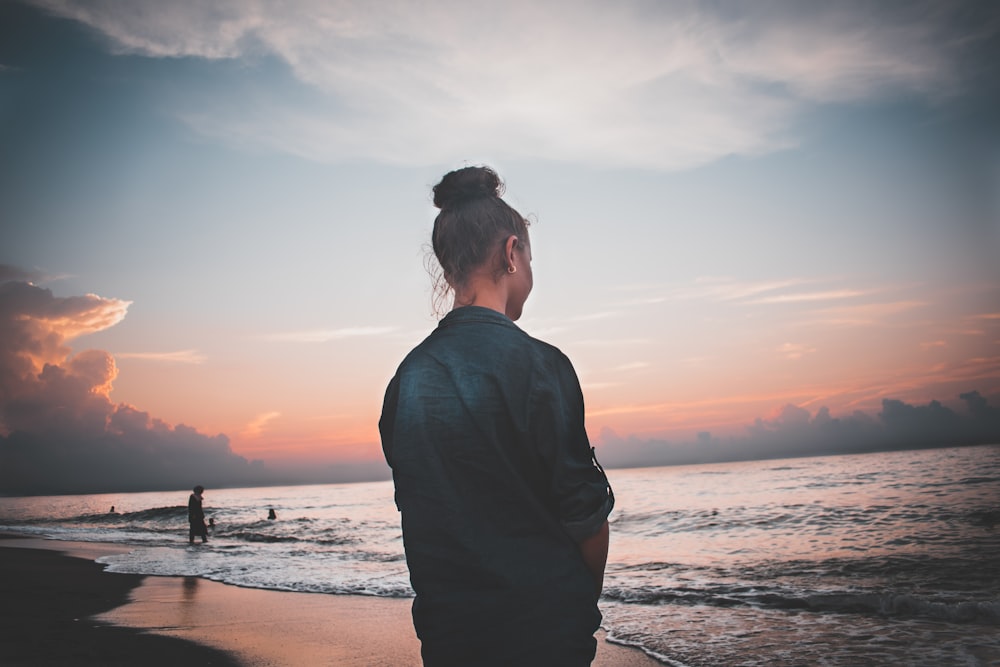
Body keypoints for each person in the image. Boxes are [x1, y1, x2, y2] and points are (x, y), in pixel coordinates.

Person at [380, 166, 614, 666]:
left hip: (450, 639)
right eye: (529, 256)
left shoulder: (405, 381)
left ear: (447, 269)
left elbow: (424, 516)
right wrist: (580, 607)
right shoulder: (542, 366)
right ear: (512, 253)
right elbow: (586, 520)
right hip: (545, 635)